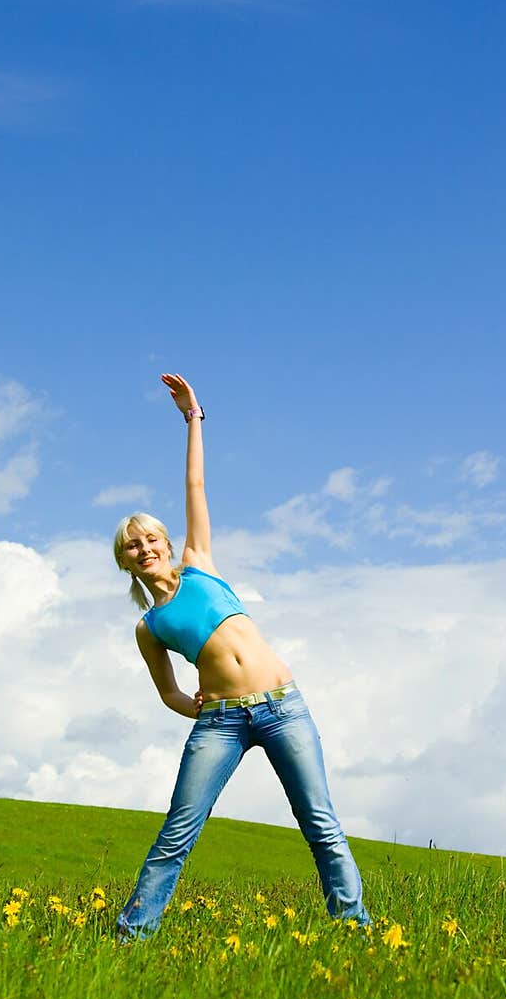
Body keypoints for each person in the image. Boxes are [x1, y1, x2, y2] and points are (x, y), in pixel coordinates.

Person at [113, 371, 372, 942]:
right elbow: (170, 693)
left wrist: (193, 419)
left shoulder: (200, 562)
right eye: (135, 546)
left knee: (321, 826)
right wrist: (196, 708)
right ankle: (131, 933)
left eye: (152, 539)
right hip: (221, 722)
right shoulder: (149, 627)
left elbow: (195, 486)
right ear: (126, 562)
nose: (147, 548)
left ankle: (355, 929)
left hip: (283, 706)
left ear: (164, 543)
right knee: (177, 832)